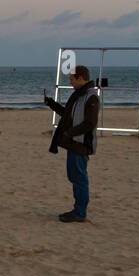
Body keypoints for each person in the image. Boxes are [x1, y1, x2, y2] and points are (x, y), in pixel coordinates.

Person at [43, 65, 100, 223]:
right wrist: (51, 104)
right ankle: (78, 209)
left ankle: (80, 212)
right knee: (74, 176)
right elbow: (67, 114)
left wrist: (70, 133)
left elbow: (90, 123)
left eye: (71, 79)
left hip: (80, 144)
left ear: (80, 78)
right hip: (73, 143)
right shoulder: (78, 96)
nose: (70, 82)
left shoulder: (90, 97)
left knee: (79, 178)